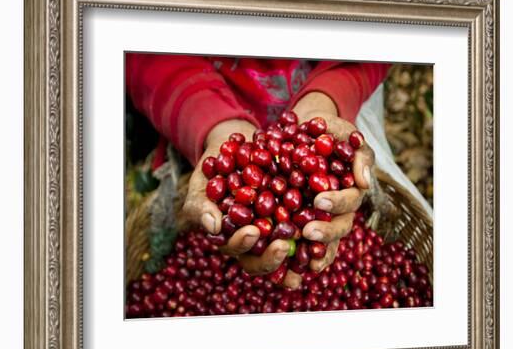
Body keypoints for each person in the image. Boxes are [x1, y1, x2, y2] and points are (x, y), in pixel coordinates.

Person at [126, 54, 392, 288]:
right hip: (196, 108)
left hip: (331, 90)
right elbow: (143, 51)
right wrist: (212, 124)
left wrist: (329, 97)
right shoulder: (255, 174)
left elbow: (382, 30)